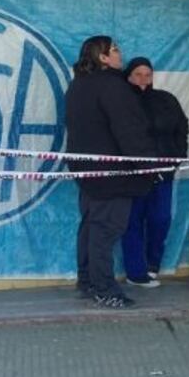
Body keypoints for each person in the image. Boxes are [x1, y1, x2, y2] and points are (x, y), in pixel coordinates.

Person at [65, 36, 157, 309]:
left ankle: (88, 281)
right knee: (105, 230)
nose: (120, 54)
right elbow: (129, 131)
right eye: (115, 50)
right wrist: (149, 167)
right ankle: (105, 289)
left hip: (86, 171)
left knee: (91, 227)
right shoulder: (113, 87)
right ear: (102, 58)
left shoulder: (77, 85)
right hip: (113, 173)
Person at [121, 57, 189, 288]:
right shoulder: (122, 101)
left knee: (160, 219)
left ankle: (152, 264)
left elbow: (182, 128)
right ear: (128, 76)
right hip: (134, 176)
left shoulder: (166, 99)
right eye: (137, 74)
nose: (143, 79)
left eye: (147, 74)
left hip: (164, 174)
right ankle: (135, 271)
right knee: (132, 222)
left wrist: (177, 158)